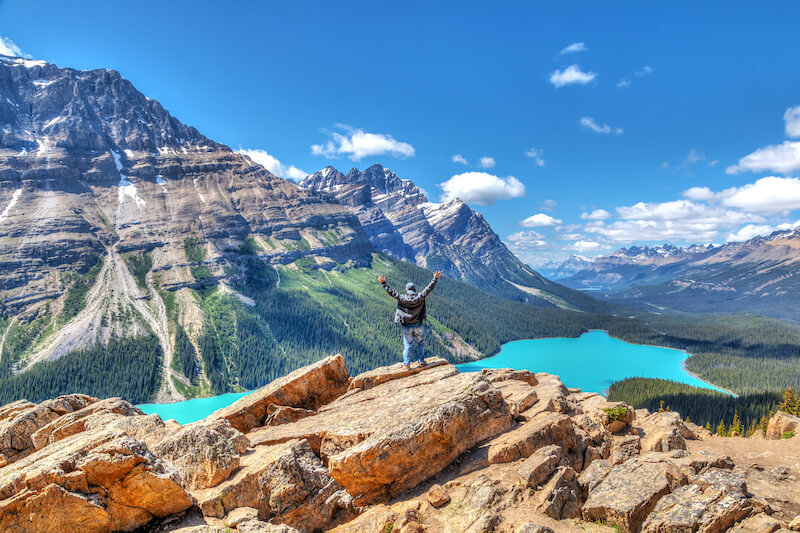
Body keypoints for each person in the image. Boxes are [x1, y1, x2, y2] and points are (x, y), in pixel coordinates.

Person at [378, 270, 442, 368]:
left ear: (406, 290)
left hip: (407, 326)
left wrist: (383, 283)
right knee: (421, 343)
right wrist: (435, 278)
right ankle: (421, 361)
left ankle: (407, 364)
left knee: (407, 345)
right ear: (414, 289)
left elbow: (391, 292)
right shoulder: (420, 297)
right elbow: (429, 288)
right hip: (418, 325)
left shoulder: (402, 298)